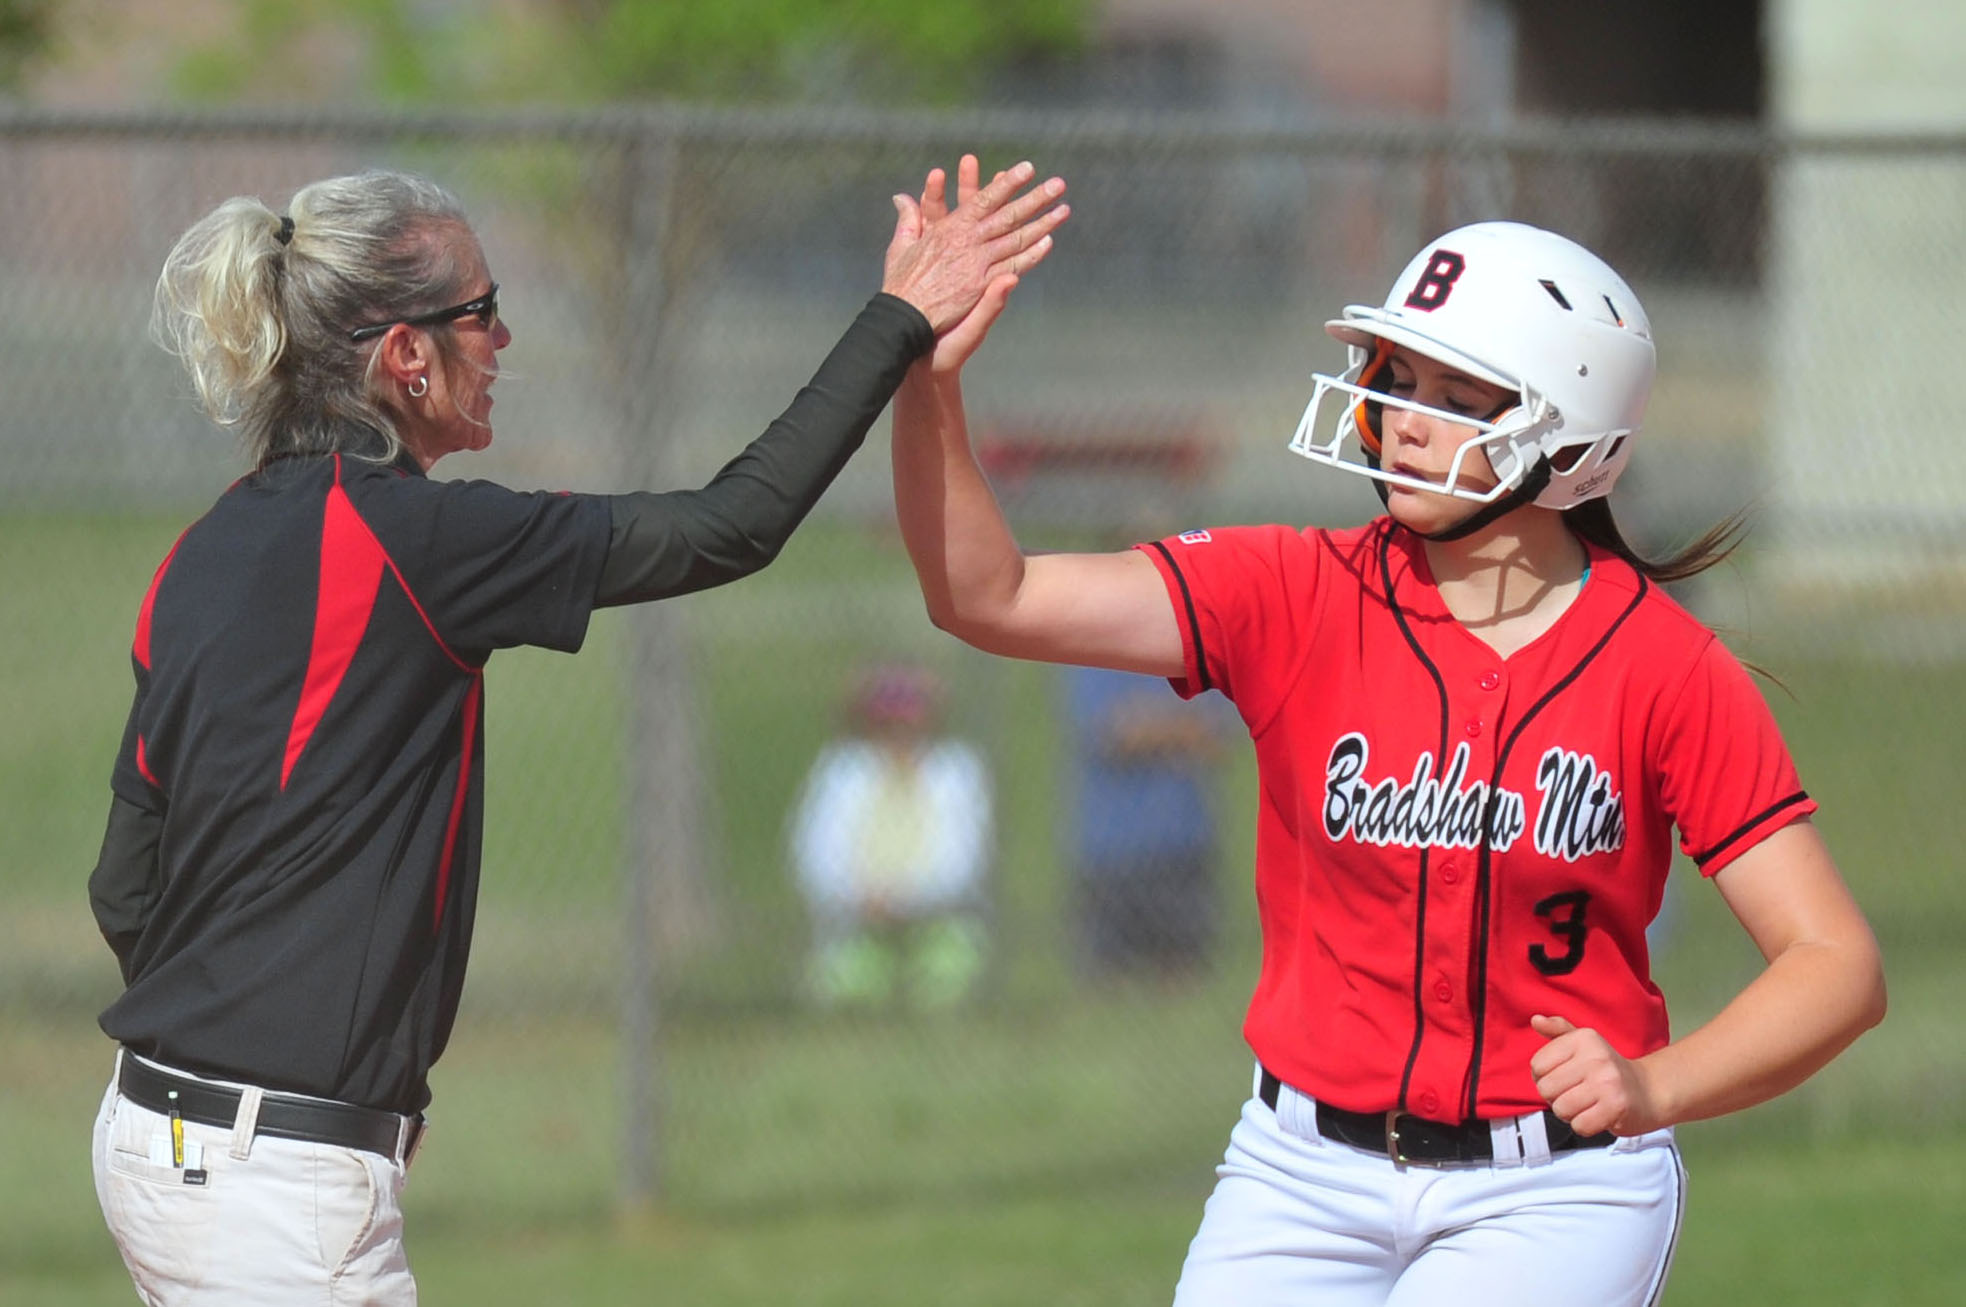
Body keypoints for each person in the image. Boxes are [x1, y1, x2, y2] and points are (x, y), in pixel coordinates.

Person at [85, 158, 1066, 1304]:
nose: (502, 338)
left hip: (151, 1137)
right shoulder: (420, 541)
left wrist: (263, 1067)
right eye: (481, 312)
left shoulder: (194, 556)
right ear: (404, 354)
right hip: (273, 1187)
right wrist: (899, 319)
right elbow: (730, 525)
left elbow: (125, 889)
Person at [888, 205, 1885, 1306]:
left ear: (1565, 438)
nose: (1404, 421)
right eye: (1398, 380)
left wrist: (1657, 1082)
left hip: (1548, 1188)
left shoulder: (1663, 664)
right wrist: (928, 380)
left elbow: (1833, 961)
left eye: (1456, 398)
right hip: (1297, 1170)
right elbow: (990, 594)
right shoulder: (1295, 591)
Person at [788, 663, 992, 1009]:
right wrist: (863, 898)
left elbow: (964, 860)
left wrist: (907, 899)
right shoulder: (842, 774)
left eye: (909, 725)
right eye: (888, 726)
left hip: (938, 920)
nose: (899, 737)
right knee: (846, 992)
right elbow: (814, 855)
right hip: (858, 919)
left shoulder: (955, 772)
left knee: (944, 983)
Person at [1063, 663, 1226, 981]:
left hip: (1184, 845)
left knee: (1183, 982)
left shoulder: (1188, 643)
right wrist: (1180, 727)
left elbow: (1216, 731)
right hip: (1112, 854)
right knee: (1107, 990)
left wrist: (1148, 723)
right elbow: (1115, 731)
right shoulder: (1093, 641)